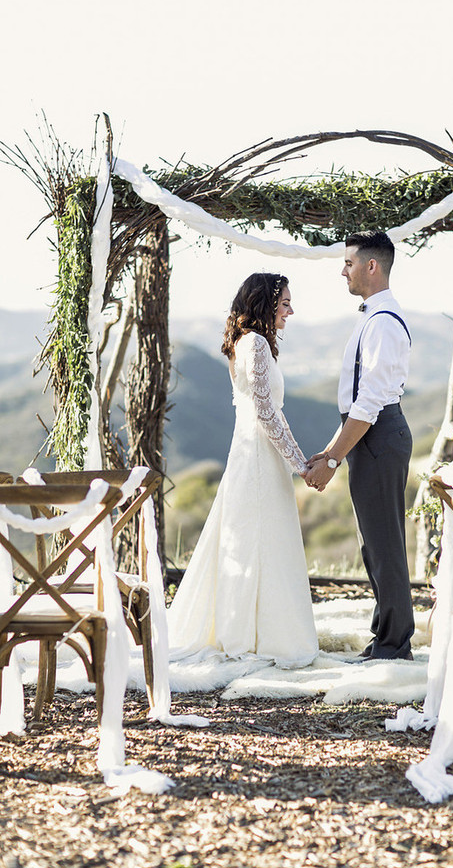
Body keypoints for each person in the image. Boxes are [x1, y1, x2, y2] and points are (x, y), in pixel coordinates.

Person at [168, 272, 318, 668]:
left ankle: (254, 630)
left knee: (257, 540)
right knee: (258, 541)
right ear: (265, 304)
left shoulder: (247, 342)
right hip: (258, 458)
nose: (290, 311)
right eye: (284, 303)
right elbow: (266, 411)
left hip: (253, 454)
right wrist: (300, 464)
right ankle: (255, 636)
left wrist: (296, 461)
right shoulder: (255, 343)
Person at [305, 230, 414, 661]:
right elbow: (359, 402)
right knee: (375, 543)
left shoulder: (383, 322)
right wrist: (332, 448)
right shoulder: (373, 316)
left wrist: (333, 458)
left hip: (378, 434)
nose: (343, 271)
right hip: (370, 434)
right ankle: (385, 637)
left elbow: (368, 403)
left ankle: (394, 645)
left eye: (348, 263)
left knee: (384, 544)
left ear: (372, 266)